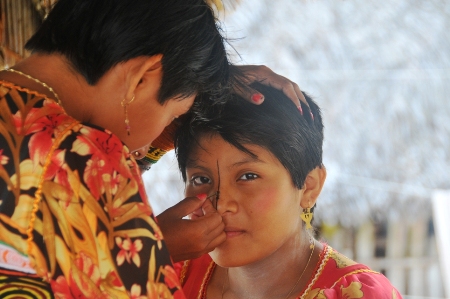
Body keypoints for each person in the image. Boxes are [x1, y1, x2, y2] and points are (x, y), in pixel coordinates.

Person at [0, 0, 308, 297]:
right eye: (174, 114)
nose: (150, 145)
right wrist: (150, 250)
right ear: (142, 77)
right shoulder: (83, 156)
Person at [174, 83, 403, 298]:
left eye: (248, 176)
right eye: (201, 178)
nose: (221, 204)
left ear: (308, 187)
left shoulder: (356, 294)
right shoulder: (166, 275)